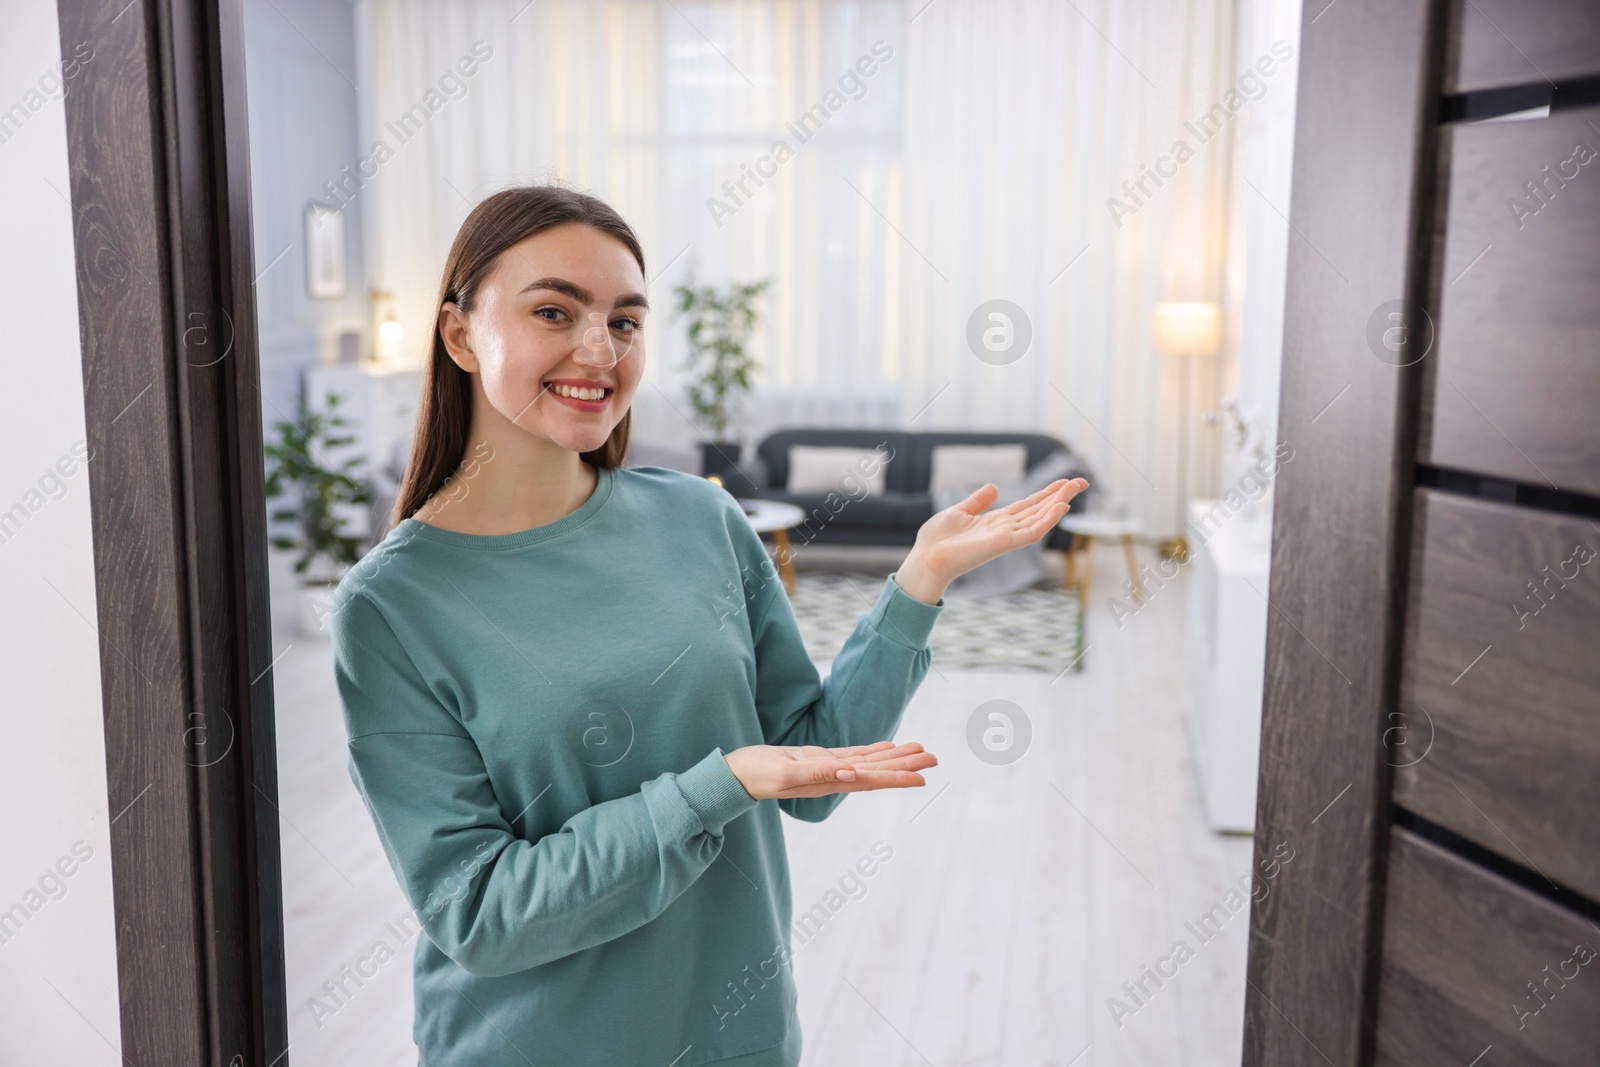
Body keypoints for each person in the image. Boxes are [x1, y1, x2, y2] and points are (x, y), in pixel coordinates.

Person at [329, 184, 1087, 1067]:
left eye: (625, 321)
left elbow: (814, 764)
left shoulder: (701, 519)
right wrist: (715, 786)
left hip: (740, 1035)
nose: (597, 349)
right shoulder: (392, 606)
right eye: (552, 311)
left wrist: (919, 581)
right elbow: (478, 912)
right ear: (460, 334)